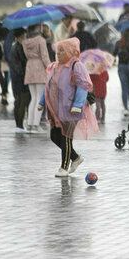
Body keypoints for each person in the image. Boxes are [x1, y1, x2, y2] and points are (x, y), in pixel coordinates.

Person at [37, 38, 99, 177]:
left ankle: (64, 167)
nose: (58, 53)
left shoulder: (76, 66)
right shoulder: (54, 66)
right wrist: (42, 102)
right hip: (55, 109)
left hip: (70, 108)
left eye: (62, 50)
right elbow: (48, 86)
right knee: (54, 136)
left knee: (66, 136)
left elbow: (83, 85)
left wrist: (77, 105)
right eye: (57, 51)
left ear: (70, 51)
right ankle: (76, 158)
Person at [23, 24, 51, 133]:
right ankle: (36, 124)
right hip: (39, 68)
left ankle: (30, 124)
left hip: (30, 67)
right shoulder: (41, 40)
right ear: (37, 28)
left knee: (33, 97)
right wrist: (50, 68)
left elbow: (26, 55)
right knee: (40, 98)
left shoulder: (25, 41)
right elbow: (44, 56)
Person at [9, 28, 30, 133]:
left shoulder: (14, 46)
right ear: (22, 35)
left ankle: (19, 125)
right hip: (21, 78)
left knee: (18, 102)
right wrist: (25, 73)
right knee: (21, 101)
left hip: (16, 78)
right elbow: (19, 64)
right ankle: (20, 125)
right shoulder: (18, 47)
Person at [113, 29, 129, 116]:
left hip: (121, 67)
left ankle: (126, 108)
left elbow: (114, 55)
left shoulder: (118, 43)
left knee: (124, 88)